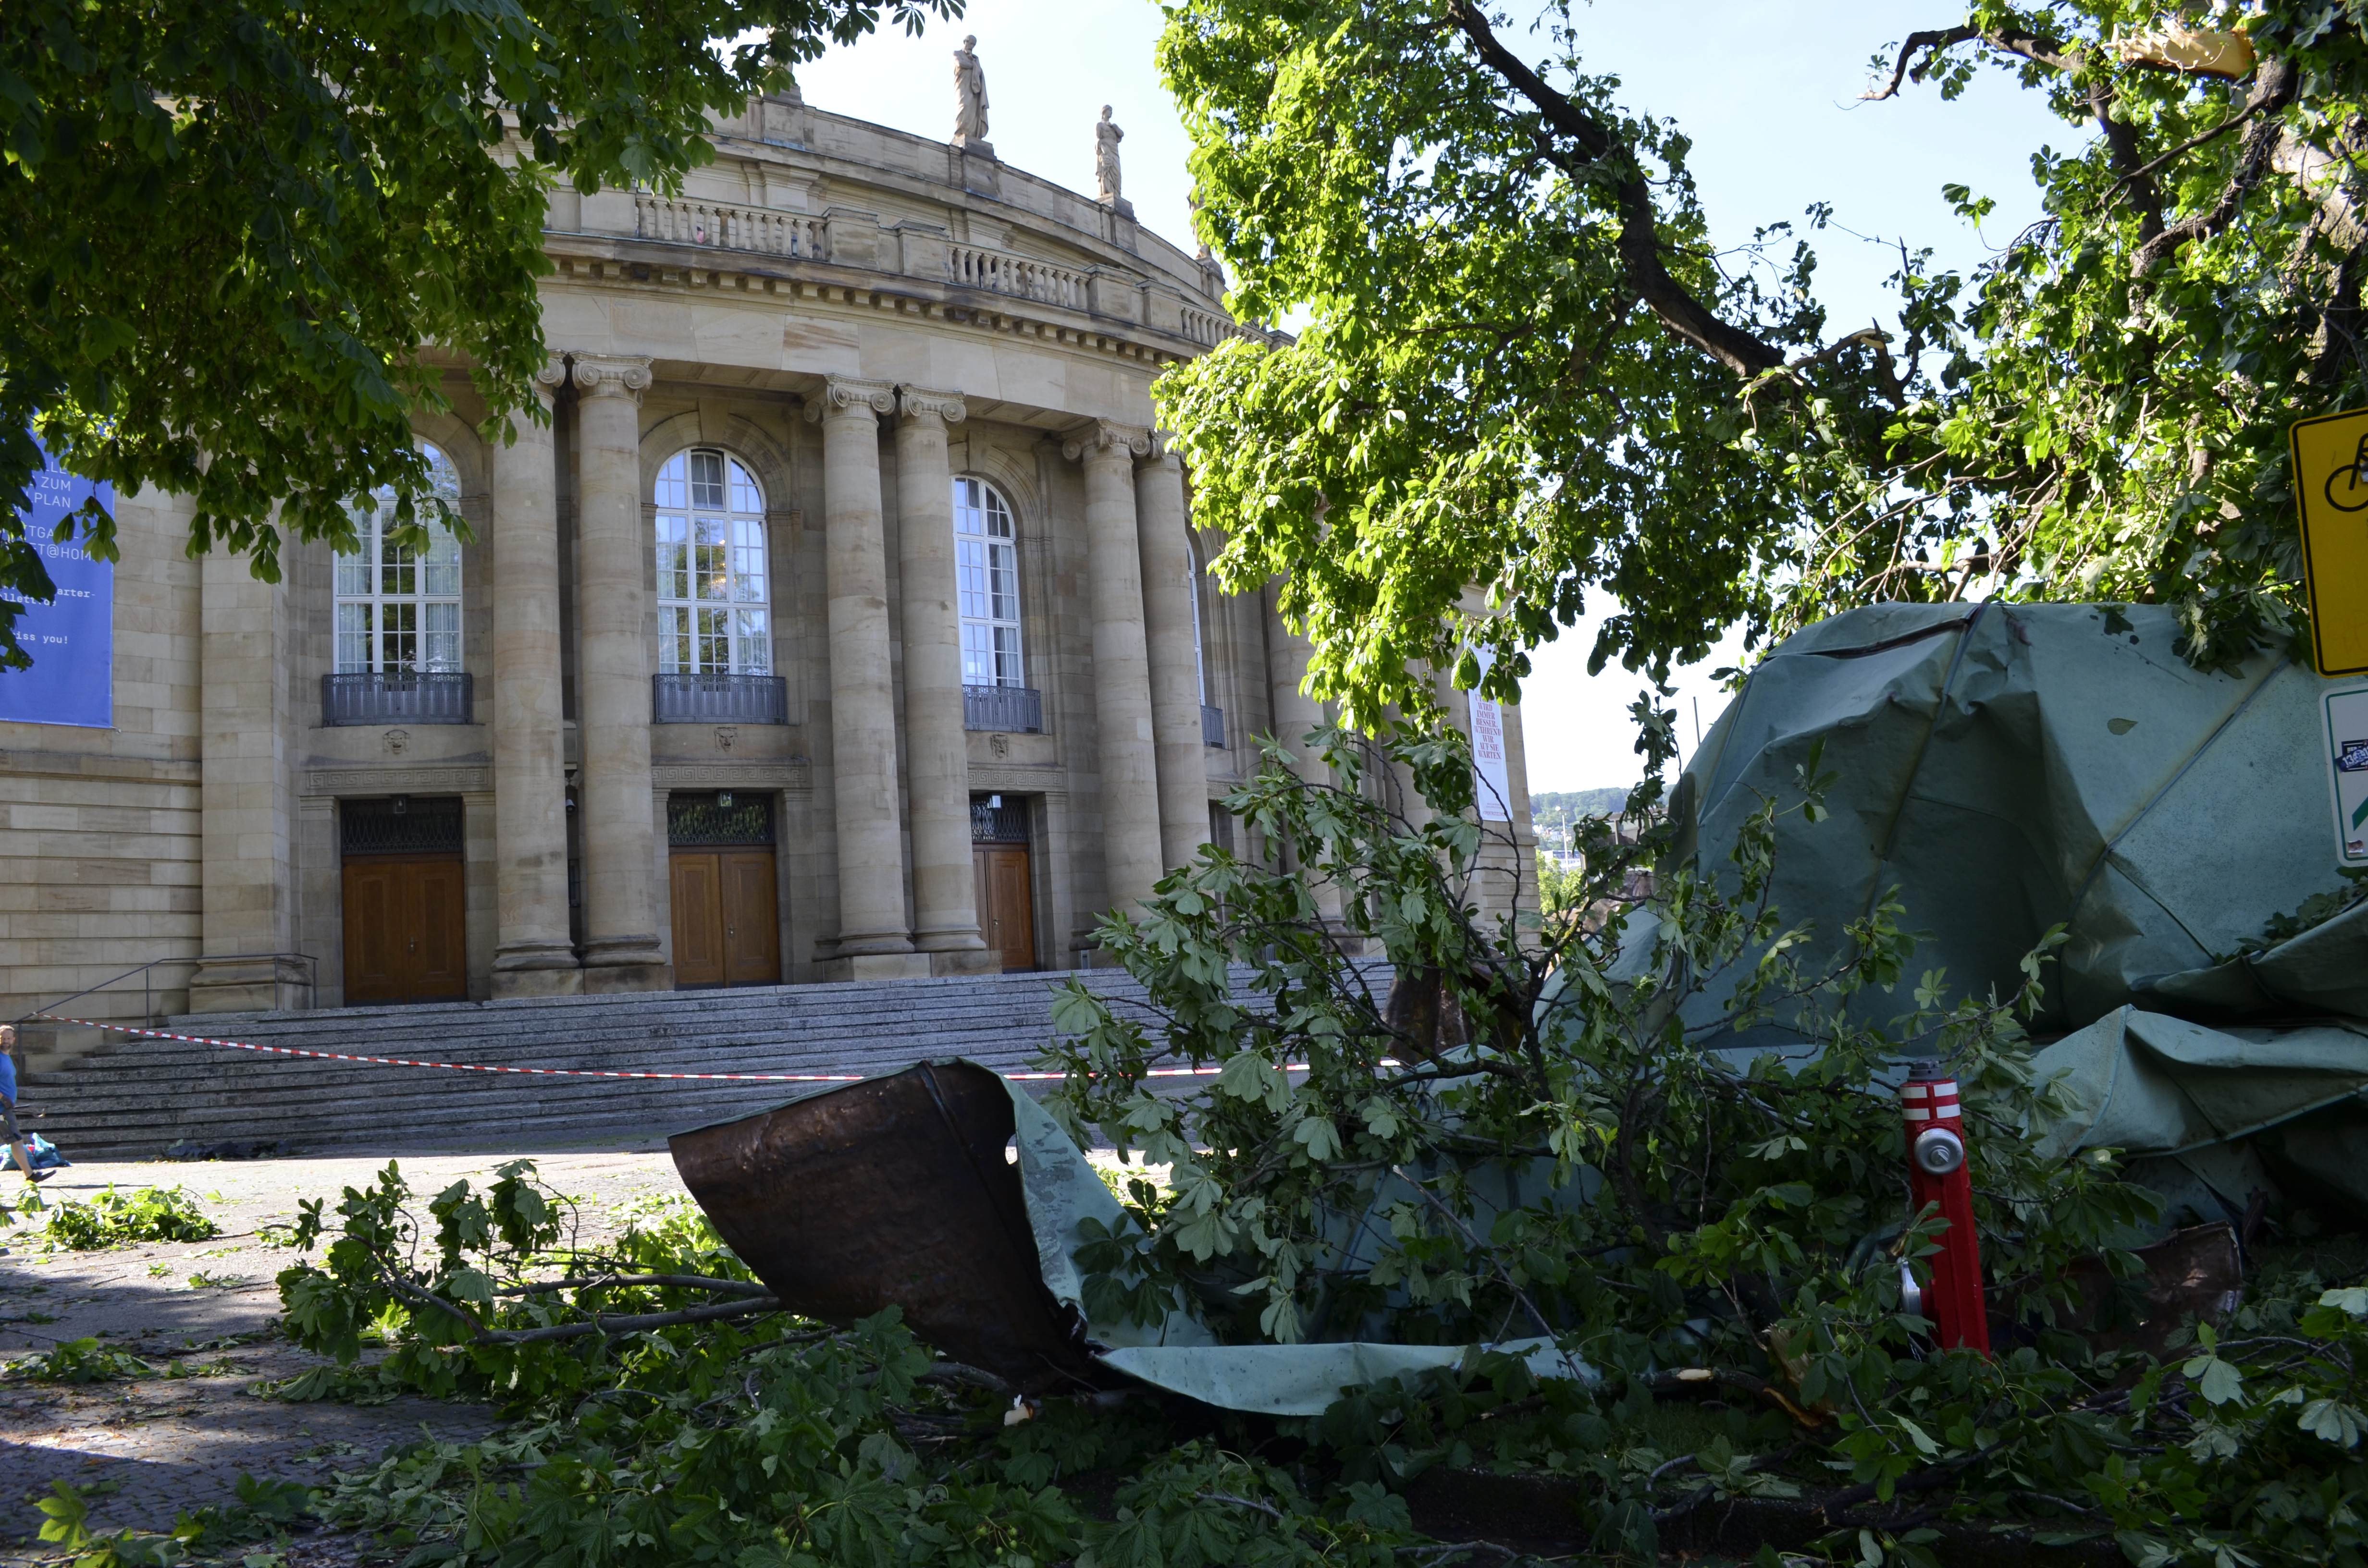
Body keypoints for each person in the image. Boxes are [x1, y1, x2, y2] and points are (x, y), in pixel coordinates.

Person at [0, 1025, 49, 1184]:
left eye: (9, 1038)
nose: (6, 1041)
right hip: (2, 1109)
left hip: (6, 1108)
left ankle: (30, 1175)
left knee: (16, 1141)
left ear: (14, 1040)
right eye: (3, 1038)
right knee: (16, 1140)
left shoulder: (7, 1058)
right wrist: (3, 1098)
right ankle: (30, 1175)